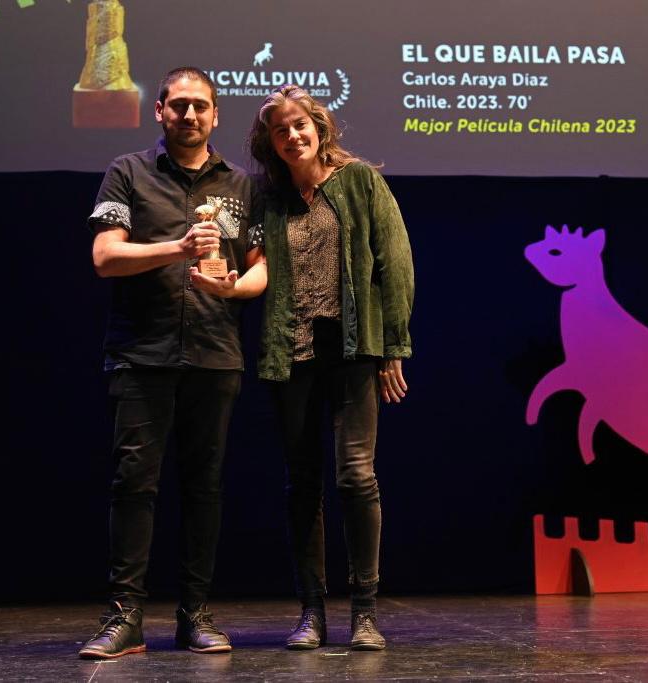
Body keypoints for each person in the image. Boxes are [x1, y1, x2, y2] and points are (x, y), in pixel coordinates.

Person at [191, 85, 414, 650]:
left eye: (300, 125)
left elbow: (396, 264)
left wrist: (393, 347)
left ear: (319, 127)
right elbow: (258, 271)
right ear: (270, 142)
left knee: (357, 477)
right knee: (302, 485)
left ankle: (363, 610)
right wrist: (230, 287)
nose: (292, 136)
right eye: (280, 130)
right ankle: (312, 612)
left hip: (354, 351)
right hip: (290, 356)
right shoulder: (267, 201)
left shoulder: (361, 182)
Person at [78, 67, 263, 659]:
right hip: (142, 353)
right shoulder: (128, 172)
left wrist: (235, 288)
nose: (189, 115)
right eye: (178, 105)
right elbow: (106, 257)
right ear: (158, 111)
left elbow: (261, 267)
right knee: (135, 485)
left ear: (215, 115)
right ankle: (125, 618)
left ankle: (195, 614)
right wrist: (177, 249)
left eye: (200, 106)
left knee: (204, 488)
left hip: (215, 354)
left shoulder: (242, 184)